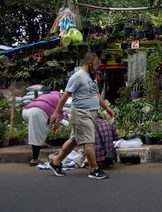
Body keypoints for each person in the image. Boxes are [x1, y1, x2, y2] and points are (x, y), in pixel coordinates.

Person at [48, 52, 115, 180]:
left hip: (90, 113)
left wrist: (107, 108)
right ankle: (94, 169)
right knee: (89, 141)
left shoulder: (92, 77)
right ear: (90, 63)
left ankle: (55, 162)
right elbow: (65, 96)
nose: (97, 67)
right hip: (81, 113)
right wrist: (57, 112)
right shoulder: (77, 77)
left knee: (74, 140)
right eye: (96, 64)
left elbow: (96, 95)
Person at [22, 91, 63, 166]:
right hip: (36, 113)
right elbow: (58, 114)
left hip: (25, 111)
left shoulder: (45, 95)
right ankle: (34, 159)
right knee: (37, 135)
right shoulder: (58, 98)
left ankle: (41, 144)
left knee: (40, 130)